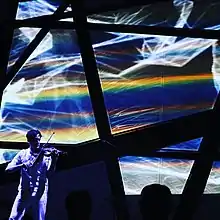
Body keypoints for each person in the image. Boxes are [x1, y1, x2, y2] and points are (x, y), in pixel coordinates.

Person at [5, 129, 59, 220]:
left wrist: (54, 160)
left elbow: (49, 174)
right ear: (29, 141)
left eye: (39, 139)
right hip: (24, 192)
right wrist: (22, 165)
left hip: (40, 193)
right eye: (34, 140)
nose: (37, 142)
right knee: (13, 218)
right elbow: (8, 169)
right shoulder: (23, 154)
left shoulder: (46, 155)